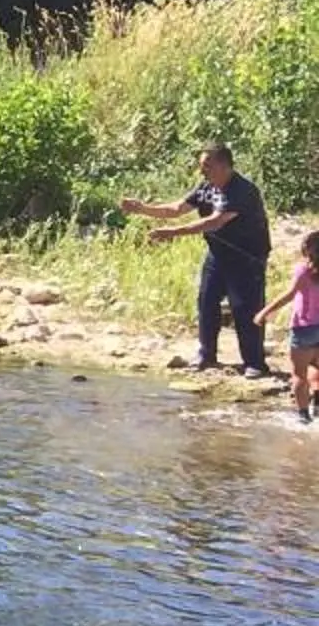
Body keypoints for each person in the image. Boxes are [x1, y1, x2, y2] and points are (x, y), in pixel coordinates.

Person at [119, 143, 274, 377]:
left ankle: (255, 362)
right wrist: (143, 208)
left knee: (245, 308)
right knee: (206, 302)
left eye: (207, 166)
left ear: (223, 165)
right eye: (202, 166)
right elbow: (177, 208)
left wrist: (171, 233)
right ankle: (206, 355)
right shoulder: (206, 187)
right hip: (218, 254)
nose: (202, 171)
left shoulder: (242, 190)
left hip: (247, 258)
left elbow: (214, 221)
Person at [260, 231, 319, 421]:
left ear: (306, 250)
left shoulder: (303, 270)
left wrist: (264, 312)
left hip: (304, 328)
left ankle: (303, 416)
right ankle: (317, 405)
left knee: (299, 375)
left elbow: (289, 294)